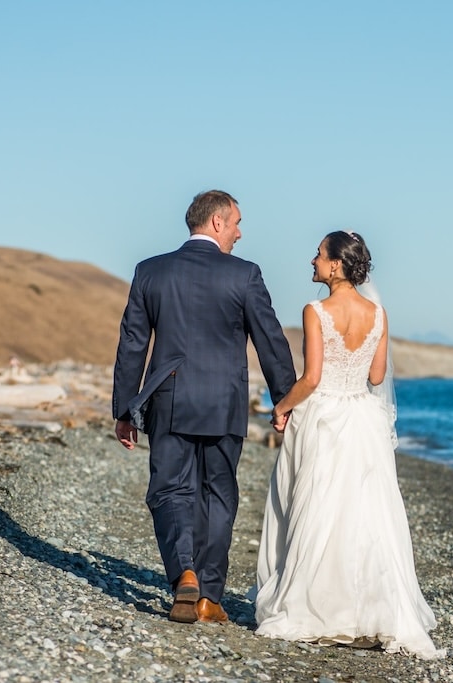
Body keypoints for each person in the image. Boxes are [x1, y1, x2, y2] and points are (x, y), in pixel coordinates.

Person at [253, 231, 445, 659]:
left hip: (325, 418)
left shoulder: (315, 311)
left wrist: (281, 407)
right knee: (366, 514)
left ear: (336, 264)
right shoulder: (378, 314)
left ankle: (316, 607)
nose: (313, 260)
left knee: (318, 508)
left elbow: (311, 379)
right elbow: (376, 377)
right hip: (362, 419)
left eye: (319, 254)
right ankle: (372, 610)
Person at [112, 190, 297, 625]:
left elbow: (133, 343)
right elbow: (270, 341)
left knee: (169, 489)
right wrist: (285, 399)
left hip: (169, 399)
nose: (239, 232)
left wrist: (124, 408)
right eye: (236, 222)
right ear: (217, 222)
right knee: (219, 493)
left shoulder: (150, 271)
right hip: (224, 401)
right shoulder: (245, 274)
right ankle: (209, 597)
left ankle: (185, 573)